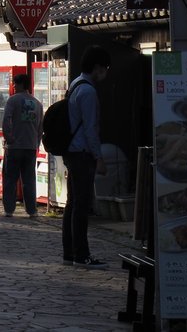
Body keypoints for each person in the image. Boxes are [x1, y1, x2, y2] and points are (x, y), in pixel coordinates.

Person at [62, 46, 111, 268]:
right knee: (81, 205)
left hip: (71, 151)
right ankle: (82, 255)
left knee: (72, 204)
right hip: (82, 153)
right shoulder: (89, 91)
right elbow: (91, 129)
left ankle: (70, 252)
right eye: (105, 68)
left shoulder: (75, 84)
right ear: (97, 67)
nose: (106, 73)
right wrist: (99, 156)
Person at [2, 73, 44, 218]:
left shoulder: (13, 101)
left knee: (10, 179)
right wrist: (36, 143)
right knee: (29, 180)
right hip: (31, 146)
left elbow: (6, 120)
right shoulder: (37, 103)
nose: (13, 86)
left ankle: (9, 209)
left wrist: (9, 137)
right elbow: (40, 128)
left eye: (15, 83)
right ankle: (32, 210)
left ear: (20, 84)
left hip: (14, 146)